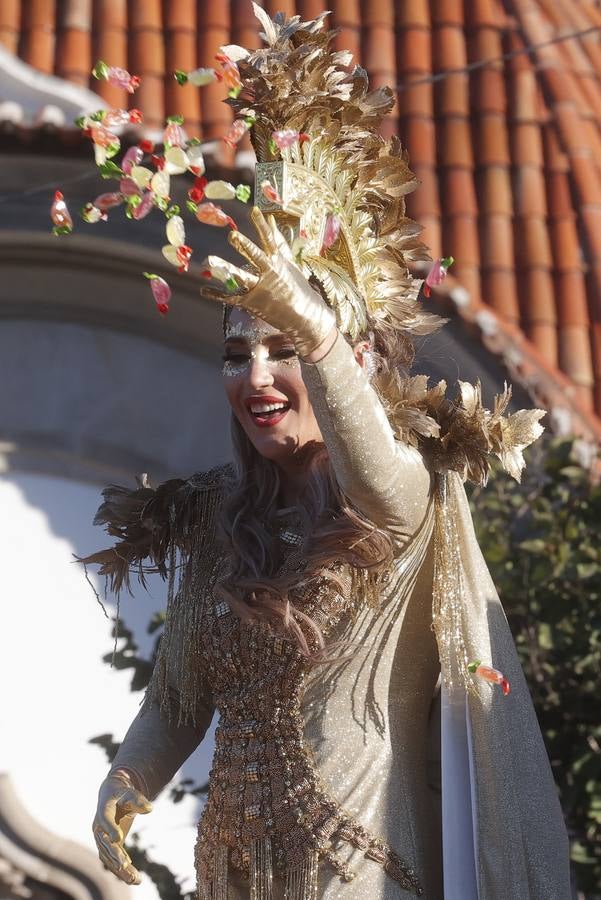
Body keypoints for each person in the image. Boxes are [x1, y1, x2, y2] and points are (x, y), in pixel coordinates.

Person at [82, 8, 572, 900]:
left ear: (352, 358)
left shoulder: (401, 499)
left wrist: (315, 330)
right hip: (231, 870)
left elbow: (376, 468)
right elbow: (179, 699)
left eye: (284, 352)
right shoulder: (217, 522)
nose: (257, 377)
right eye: (236, 354)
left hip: (363, 870)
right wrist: (129, 778)